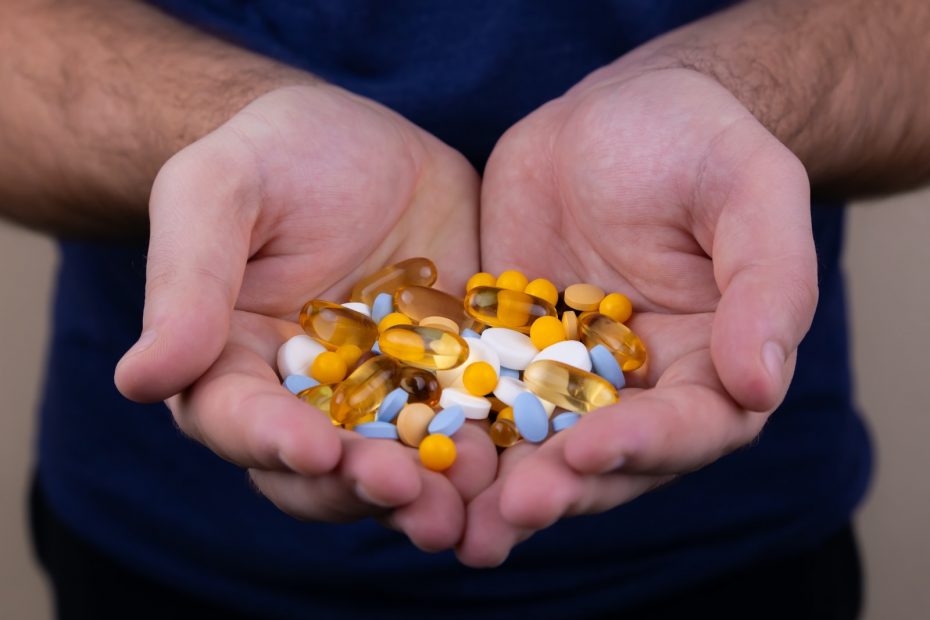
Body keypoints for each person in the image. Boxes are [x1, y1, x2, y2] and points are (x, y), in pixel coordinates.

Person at [2, 0, 926, 617]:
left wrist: (729, 93)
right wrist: (213, 123)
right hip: (166, 550)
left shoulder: (530, 356)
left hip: (739, 552)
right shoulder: (430, 358)